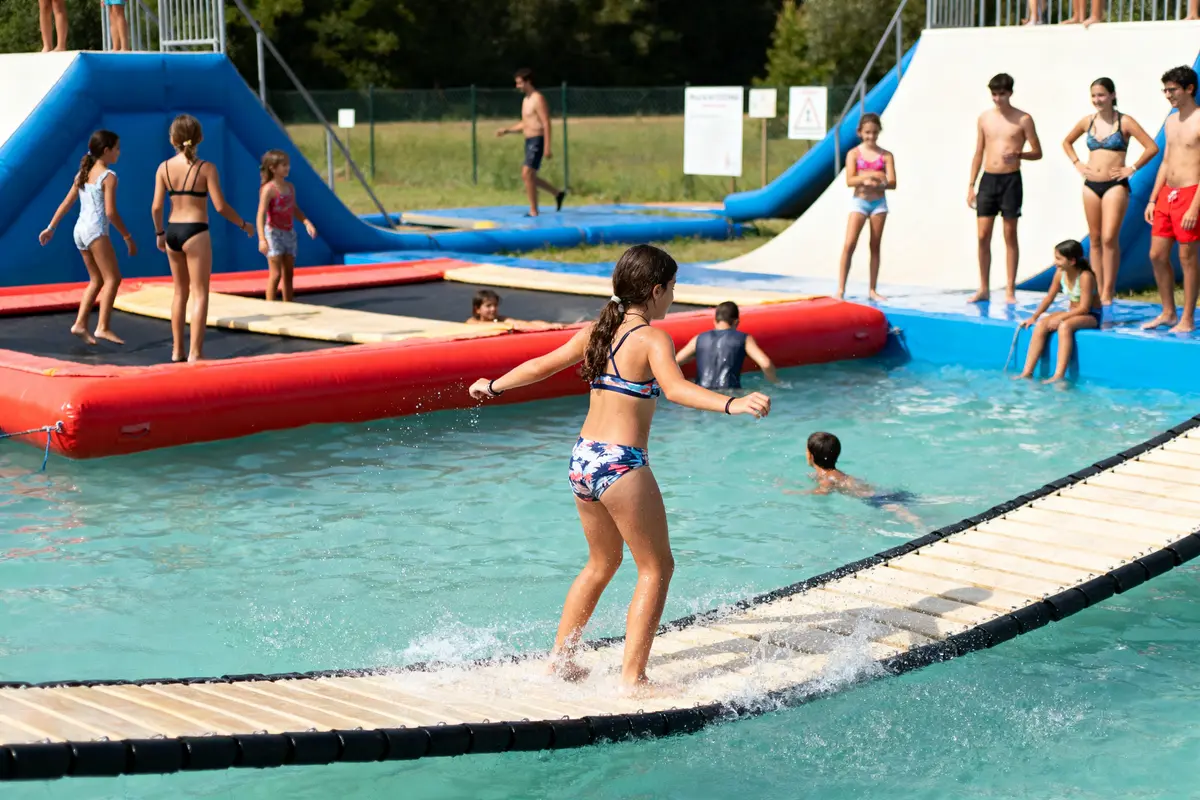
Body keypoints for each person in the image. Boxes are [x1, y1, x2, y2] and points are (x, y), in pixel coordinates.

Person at [468, 245, 771, 692]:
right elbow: (677, 388)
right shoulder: (651, 338)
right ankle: (633, 678)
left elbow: (541, 366)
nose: (673, 297)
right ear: (655, 290)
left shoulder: (597, 331)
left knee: (601, 563)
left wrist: (493, 385)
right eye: (672, 288)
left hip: (583, 458)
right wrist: (732, 403)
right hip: (620, 463)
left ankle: (561, 661)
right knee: (657, 568)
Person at [151, 114, 255, 362]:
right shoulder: (206, 168)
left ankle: (177, 350)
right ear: (200, 138)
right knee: (200, 293)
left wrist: (159, 234)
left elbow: (156, 207)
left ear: (173, 139)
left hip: (173, 231)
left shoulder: (163, 168)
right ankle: (195, 352)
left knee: (179, 293)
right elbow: (220, 207)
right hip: (195, 231)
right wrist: (243, 224)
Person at [1062, 78, 1159, 308]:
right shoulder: (1088, 121)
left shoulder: (1124, 122)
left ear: (1113, 95)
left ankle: (1108, 290)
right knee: (1094, 239)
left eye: (1102, 95)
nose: (1097, 100)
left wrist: (1132, 168)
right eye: (1094, 96)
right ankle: (1094, 288)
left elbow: (1152, 147)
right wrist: (1077, 162)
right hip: (1090, 185)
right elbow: (1066, 142)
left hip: (1115, 185)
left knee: (1108, 238)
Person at [38, 130, 135, 346]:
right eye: (117, 149)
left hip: (79, 231)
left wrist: (51, 227)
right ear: (107, 150)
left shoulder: (83, 172)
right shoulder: (108, 177)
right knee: (113, 279)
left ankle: (80, 324)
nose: (120, 153)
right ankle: (103, 327)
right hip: (95, 230)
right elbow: (110, 212)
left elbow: (67, 202)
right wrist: (127, 236)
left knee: (97, 279)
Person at [967, 73, 1043, 305]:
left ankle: (1010, 289)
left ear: (1010, 93)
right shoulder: (984, 118)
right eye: (994, 94)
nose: (998, 99)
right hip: (988, 179)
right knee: (982, 235)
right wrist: (971, 185)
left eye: (1002, 94)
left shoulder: (1023, 119)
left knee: (1009, 233)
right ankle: (983, 287)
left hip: (1011, 180)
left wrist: (1019, 154)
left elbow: (1038, 152)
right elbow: (978, 152)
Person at [1142, 66, 1200, 333]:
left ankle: (1187, 317)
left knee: (1187, 259)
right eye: (1165, 90)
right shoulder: (1170, 121)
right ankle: (1168, 312)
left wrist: (1195, 207)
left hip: (1191, 194)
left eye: (1172, 89)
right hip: (1168, 194)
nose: (1167, 95)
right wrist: (1153, 199)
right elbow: (1165, 162)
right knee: (1156, 255)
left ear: (1189, 88)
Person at [1016, 239, 1101, 383]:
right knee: (1042, 324)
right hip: (1073, 312)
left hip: (1091, 315)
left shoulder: (1085, 277)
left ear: (1072, 261)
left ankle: (1058, 375)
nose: (1055, 262)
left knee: (1064, 326)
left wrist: (1061, 318)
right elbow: (1049, 297)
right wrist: (1034, 317)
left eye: (1058, 258)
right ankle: (1027, 372)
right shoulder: (1060, 273)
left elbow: (1085, 308)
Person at [797, 432, 919, 525]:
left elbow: (822, 492)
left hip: (876, 499)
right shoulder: (833, 475)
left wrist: (797, 492)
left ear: (810, 456)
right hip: (883, 492)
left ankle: (918, 524)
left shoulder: (827, 479)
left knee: (909, 517)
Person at [837, 113, 896, 302]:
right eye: (867, 133)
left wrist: (879, 183)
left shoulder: (886, 155)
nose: (871, 137)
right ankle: (840, 288)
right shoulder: (854, 154)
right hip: (860, 202)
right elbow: (850, 179)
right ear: (860, 133)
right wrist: (869, 177)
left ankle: (872, 289)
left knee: (875, 245)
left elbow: (892, 182)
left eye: (874, 133)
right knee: (849, 244)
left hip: (878, 203)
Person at [496, 68, 566, 217]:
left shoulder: (537, 98)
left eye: (520, 83)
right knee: (529, 176)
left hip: (538, 139)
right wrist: (508, 130)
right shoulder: (525, 100)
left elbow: (546, 122)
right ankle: (557, 193)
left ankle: (534, 210)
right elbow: (525, 123)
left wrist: (547, 146)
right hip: (528, 140)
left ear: (528, 82)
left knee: (526, 173)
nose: (517, 86)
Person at [256, 150, 317, 303]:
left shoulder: (290, 187)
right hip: (273, 234)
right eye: (284, 165)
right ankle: (270, 306)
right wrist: (262, 239)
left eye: (287, 165)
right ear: (273, 168)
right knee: (275, 274)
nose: (287, 168)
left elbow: (294, 208)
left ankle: (288, 304)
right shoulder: (269, 189)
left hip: (289, 232)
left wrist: (306, 221)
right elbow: (260, 214)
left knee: (289, 273)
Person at [675, 301, 778, 389]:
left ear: (715, 321)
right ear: (736, 322)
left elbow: (676, 361)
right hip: (729, 394)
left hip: (701, 393)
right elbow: (766, 364)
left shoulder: (699, 338)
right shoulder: (744, 338)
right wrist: (773, 383)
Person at [465, 288, 563, 331]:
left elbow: (522, 323)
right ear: (477, 309)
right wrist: (504, 325)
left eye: (495, 305)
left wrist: (548, 326)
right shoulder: (472, 322)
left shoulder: (501, 319)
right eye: (488, 306)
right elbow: (476, 325)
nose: (493, 309)